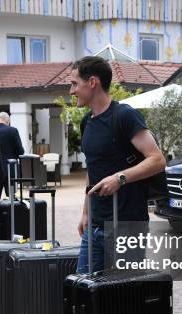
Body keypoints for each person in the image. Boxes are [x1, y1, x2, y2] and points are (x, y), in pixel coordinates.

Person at [69, 56, 166, 273]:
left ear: (92, 82)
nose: (71, 91)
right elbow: (92, 170)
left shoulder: (125, 116)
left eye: (74, 84)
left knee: (123, 296)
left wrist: (119, 178)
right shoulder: (87, 122)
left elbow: (157, 160)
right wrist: (85, 213)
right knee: (84, 290)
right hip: (94, 225)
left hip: (127, 225)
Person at [0, 112, 24, 200]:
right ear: (8, 121)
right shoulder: (13, 131)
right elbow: (20, 151)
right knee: (12, 199)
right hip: (10, 169)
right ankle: (11, 214)